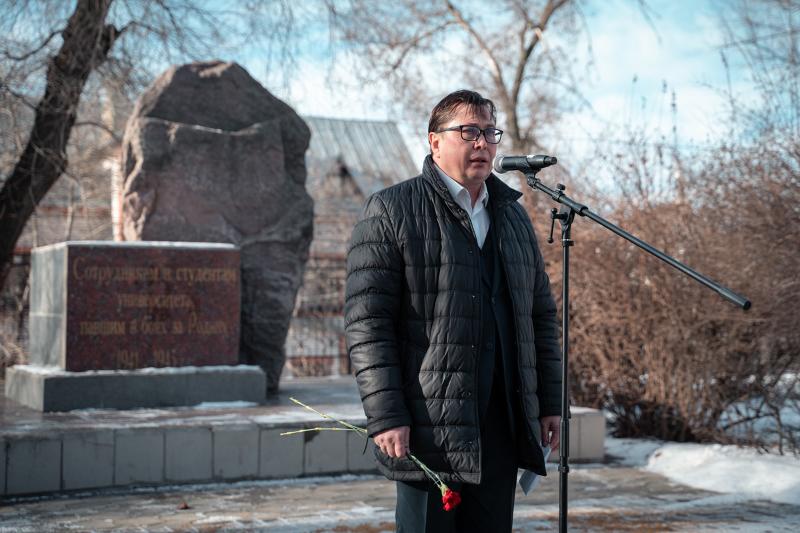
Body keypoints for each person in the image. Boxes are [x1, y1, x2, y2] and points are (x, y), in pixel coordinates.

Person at [345, 89, 562, 532]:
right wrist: (387, 415)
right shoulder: (391, 209)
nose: (482, 143)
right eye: (468, 131)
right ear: (435, 141)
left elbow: (540, 318)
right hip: (429, 428)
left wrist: (549, 404)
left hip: (502, 425)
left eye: (489, 133)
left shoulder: (513, 218)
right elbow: (368, 324)